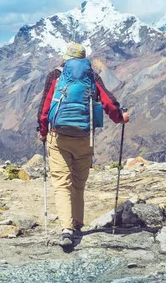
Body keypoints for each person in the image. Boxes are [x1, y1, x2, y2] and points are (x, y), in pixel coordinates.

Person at [37, 43, 130, 247]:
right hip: (84, 138)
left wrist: (42, 132)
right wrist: (120, 117)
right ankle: (77, 224)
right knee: (78, 183)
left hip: (58, 137)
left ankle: (66, 230)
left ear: (66, 58)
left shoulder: (55, 75)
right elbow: (107, 101)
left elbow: (45, 107)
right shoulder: (92, 76)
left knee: (62, 184)